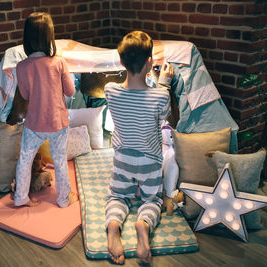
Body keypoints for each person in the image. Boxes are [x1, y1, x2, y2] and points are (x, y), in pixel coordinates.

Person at [104, 31, 174, 264]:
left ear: (122, 62)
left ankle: (114, 226)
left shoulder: (110, 90)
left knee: (118, 196)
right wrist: (164, 83)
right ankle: (143, 225)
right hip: (149, 161)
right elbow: (164, 117)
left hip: (123, 157)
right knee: (152, 201)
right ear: (149, 62)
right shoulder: (160, 96)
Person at [14, 12, 78, 208]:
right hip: (57, 122)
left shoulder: (22, 66)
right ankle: (63, 199)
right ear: (50, 37)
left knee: (25, 159)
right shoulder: (59, 62)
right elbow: (70, 91)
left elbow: (25, 95)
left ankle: (21, 197)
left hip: (34, 123)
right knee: (60, 161)